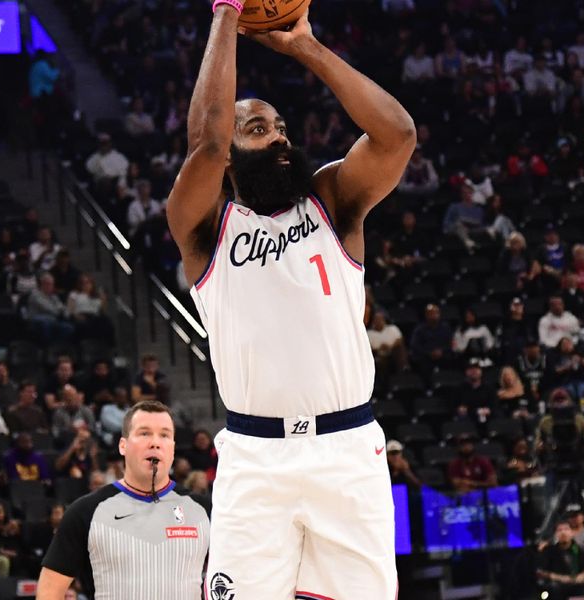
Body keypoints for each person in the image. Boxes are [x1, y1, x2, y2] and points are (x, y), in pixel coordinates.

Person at [166, 4, 415, 596]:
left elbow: (397, 134)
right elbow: (204, 143)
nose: (279, 137)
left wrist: (306, 47)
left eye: (280, 127)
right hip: (256, 460)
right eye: (257, 129)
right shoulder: (203, 226)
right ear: (229, 155)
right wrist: (226, 13)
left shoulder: (331, 199)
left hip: (347, 451)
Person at [37, 401, 209, 599]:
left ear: (172, 448)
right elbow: (49, 592)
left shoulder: (204, 510)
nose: (155, 442)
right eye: (144, 433)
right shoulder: (86, 511)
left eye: (164, 435)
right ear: (123, 446)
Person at [536, 520, 584, 600]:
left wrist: (583, 575)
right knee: (553, 588)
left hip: (577, 582)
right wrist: (560, 578)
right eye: (559, 530)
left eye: (566, 529)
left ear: (572, 532)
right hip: (558, 584)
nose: (563, 532)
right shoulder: (549, 550)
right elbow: (540, 571)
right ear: (556, 534)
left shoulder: (579, 549)